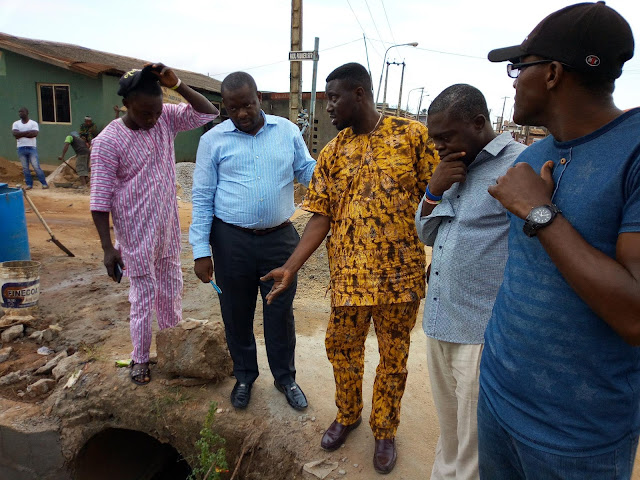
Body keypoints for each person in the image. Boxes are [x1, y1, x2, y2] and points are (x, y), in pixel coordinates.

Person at [480, 3, 640, 478]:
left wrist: (541, 214)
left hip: (578, 438)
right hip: (497, 399)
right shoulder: (534, 157)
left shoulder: (634, 153)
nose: (513, 82)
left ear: (551, 74)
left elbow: (636, 316)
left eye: (519, 67)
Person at [261, 62, 438, 474]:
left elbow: (440, 199)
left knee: (393, 358)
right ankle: (348, 414)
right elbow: (320, 215)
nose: (328, 108)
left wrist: (440, 258)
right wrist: (291, 267)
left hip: (399, 279)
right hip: (349, 281)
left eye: (333, 98)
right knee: (342, 350)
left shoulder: (412, 136)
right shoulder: (332, 152)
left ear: (359, 94)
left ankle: (385, 429)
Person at [415, 84, 526, 480]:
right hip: (439, 320)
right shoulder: (451, 169)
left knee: (474, 442)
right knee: (450, 430)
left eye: (446, 136)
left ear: (479, 123)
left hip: (481, 330)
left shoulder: (519, 165)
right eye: (434, 138)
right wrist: (433, 190)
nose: (439, 146)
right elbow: (426, 234)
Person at [190, 71, 316, 411]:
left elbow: (305, 169)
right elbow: (201, 197)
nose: (242, 113)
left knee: (280, 312)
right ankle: (244, 376)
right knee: (236, 312)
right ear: (224, 107)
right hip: (230, 241)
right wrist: (201, 251)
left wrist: (332, 176)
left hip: (279, 239)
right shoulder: (213, 141)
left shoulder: (287, 131)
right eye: (233, 108)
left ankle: (285, 378)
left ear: (259, 98)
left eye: (247, 105)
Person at [90, 63, 218, 385]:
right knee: (143, 295)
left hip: (167, 229)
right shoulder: (108, 142)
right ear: (126, 105)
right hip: (135, 234)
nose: (152, 119)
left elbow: (208, 112)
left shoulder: (165, 119)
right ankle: (140, 357)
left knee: (171, 291)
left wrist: (178, 85)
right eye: (145, 113)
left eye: (157, 111)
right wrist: (107, 249)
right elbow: (99, 201)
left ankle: (171, 349)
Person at [12, 107, 48, 190]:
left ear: (27, 113)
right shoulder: (16, 123)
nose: (20, 113)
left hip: (31, 148)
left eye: (22, 112)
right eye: (19, 112)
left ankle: (44, 183)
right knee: (25, 168)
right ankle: (29, 184)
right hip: (20, 148)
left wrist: (20, 134)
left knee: (36, 166)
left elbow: (34, 134)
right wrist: (28, 132)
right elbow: (15, 134)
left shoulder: (33, 123)